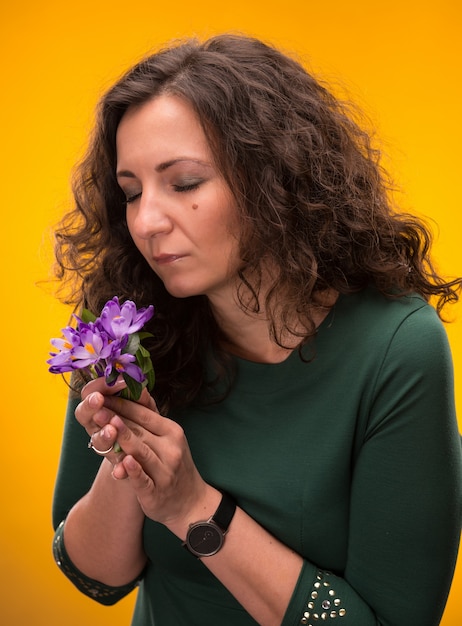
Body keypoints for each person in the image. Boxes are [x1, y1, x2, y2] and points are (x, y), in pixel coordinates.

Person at [51, 34, 462, 626]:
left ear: (276, 179)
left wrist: (194, 507)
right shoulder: (124, 334)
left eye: (185, 183)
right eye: (131, 192)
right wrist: (128, 454)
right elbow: (96, 576)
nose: (146, 221)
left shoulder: (397, 348)